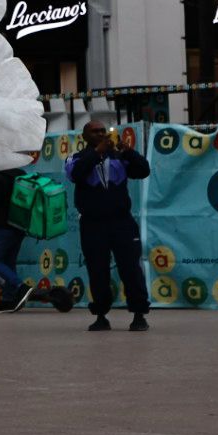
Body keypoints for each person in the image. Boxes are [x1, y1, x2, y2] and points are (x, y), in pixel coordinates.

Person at [65, 122, 152, 332]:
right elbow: (75, 174)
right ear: (85, 136)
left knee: (131, 268)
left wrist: (128, 152)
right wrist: (96, 153)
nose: (101, 134)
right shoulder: (76, 158)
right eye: (96, 131)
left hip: (121, 221)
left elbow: (143, 171)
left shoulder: (120, 157)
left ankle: (139, 314)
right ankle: (101, 315)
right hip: (92, 223)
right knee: (97, 270)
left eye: (104, 131)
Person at [0, 167, 32, 311]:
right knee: (9, 262)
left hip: (0, 226)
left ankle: (20, 286)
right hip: (18, 226)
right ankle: (8, 299)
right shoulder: (21, 173)